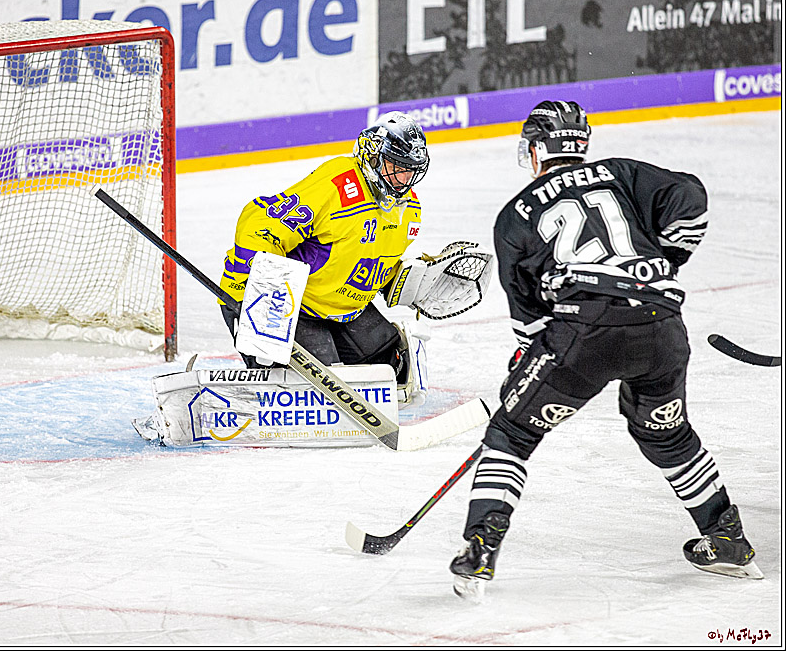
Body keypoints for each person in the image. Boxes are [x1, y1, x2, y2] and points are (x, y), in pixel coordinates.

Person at [449, 100, 762, 598]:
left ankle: (481, 548)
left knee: (510, 432)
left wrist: (525, 367)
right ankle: (728, 538)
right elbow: (690, 195)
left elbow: (530, 318)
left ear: (535, 150)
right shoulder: (619, 173)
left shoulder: (515, 215)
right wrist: (663, 263)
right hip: (661, 326)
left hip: (584, 333)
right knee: (666, 434)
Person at [218, 111, 432, 402]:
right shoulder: (338, 185)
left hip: (339, 306)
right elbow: (259, 223)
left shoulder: (409, 209)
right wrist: (265, 297)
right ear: (373, 156)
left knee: (389, 367)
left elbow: (373, 264)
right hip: (288, 304)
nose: (404, 179)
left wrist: (414, 281)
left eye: (410, 170)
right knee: (317, 387)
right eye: (396, 167)